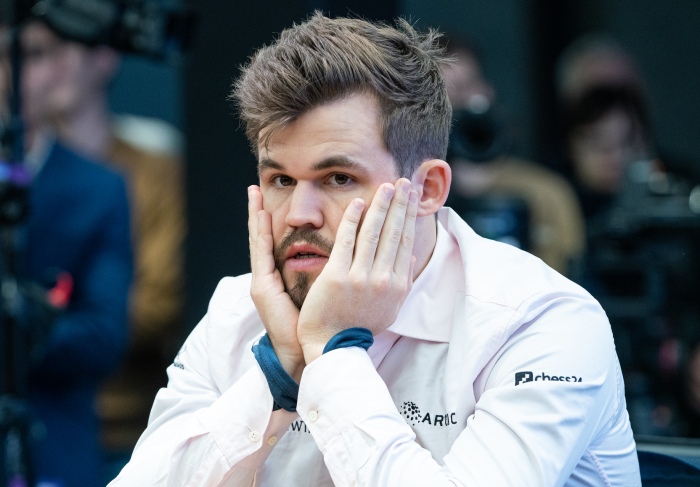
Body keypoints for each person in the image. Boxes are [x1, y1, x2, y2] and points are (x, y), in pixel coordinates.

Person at [111, 13, 640, 486]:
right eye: (279, 180)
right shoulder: (238, 309)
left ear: (428, 189)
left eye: (338, 177)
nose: (299, 214)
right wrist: (281, 372)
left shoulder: (541, 322)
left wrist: (332, 353)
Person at [18, 13, 187, 464]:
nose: (55, 67)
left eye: (51, 50)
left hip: (117, 418)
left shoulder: (140, 170)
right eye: (33, 52)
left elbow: (155, 303)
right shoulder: (27, 167)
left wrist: (32, 322)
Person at [0, 20, 133, 487]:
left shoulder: (98, 189)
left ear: (57, 68)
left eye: (28, 56)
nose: (8, 76)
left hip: (52, 449)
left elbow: (102, 336)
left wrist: (20, 327)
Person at [440, 36, 585, 275]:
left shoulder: (544, 193)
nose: (453, 103)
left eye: (464, 88)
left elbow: (567, 283)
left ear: (485, 93)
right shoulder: (411, 192)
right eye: (440, 92)